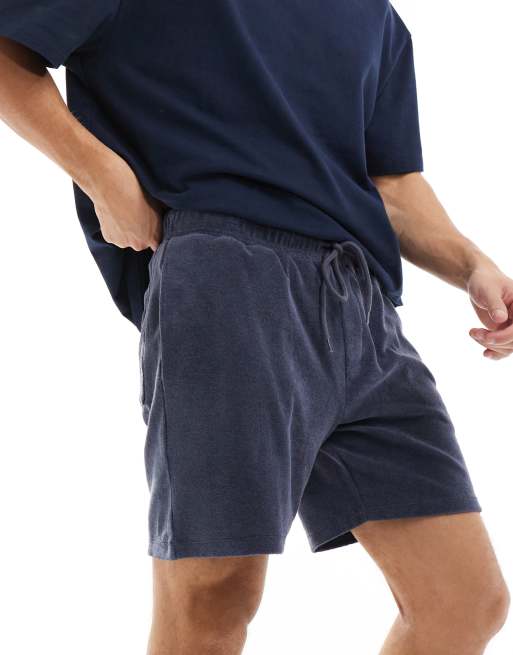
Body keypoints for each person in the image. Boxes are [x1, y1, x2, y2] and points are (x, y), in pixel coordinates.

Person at [0, 1, 510, 653]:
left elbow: (390, 182)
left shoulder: (376, 17)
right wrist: (103, 175)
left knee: (464, 600)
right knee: (214, 593)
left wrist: (472, 264)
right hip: (226, 275)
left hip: (361, 302)